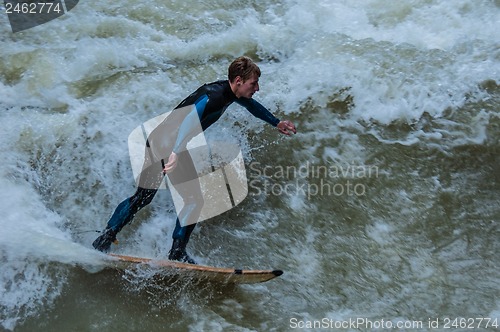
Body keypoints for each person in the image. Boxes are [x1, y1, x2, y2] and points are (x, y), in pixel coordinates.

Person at [92, 56, 296, 263]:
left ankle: (176, 252)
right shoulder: (214, 96)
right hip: (163, 145)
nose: (257, 88)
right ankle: (106, 238)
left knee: (191, 200)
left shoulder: (231, 93)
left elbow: (252, 106)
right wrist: (176, 152)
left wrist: (276, 122)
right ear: (238, 81)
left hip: (172, 146)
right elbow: (190, 120)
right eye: (254, 83)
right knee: (145, 198)